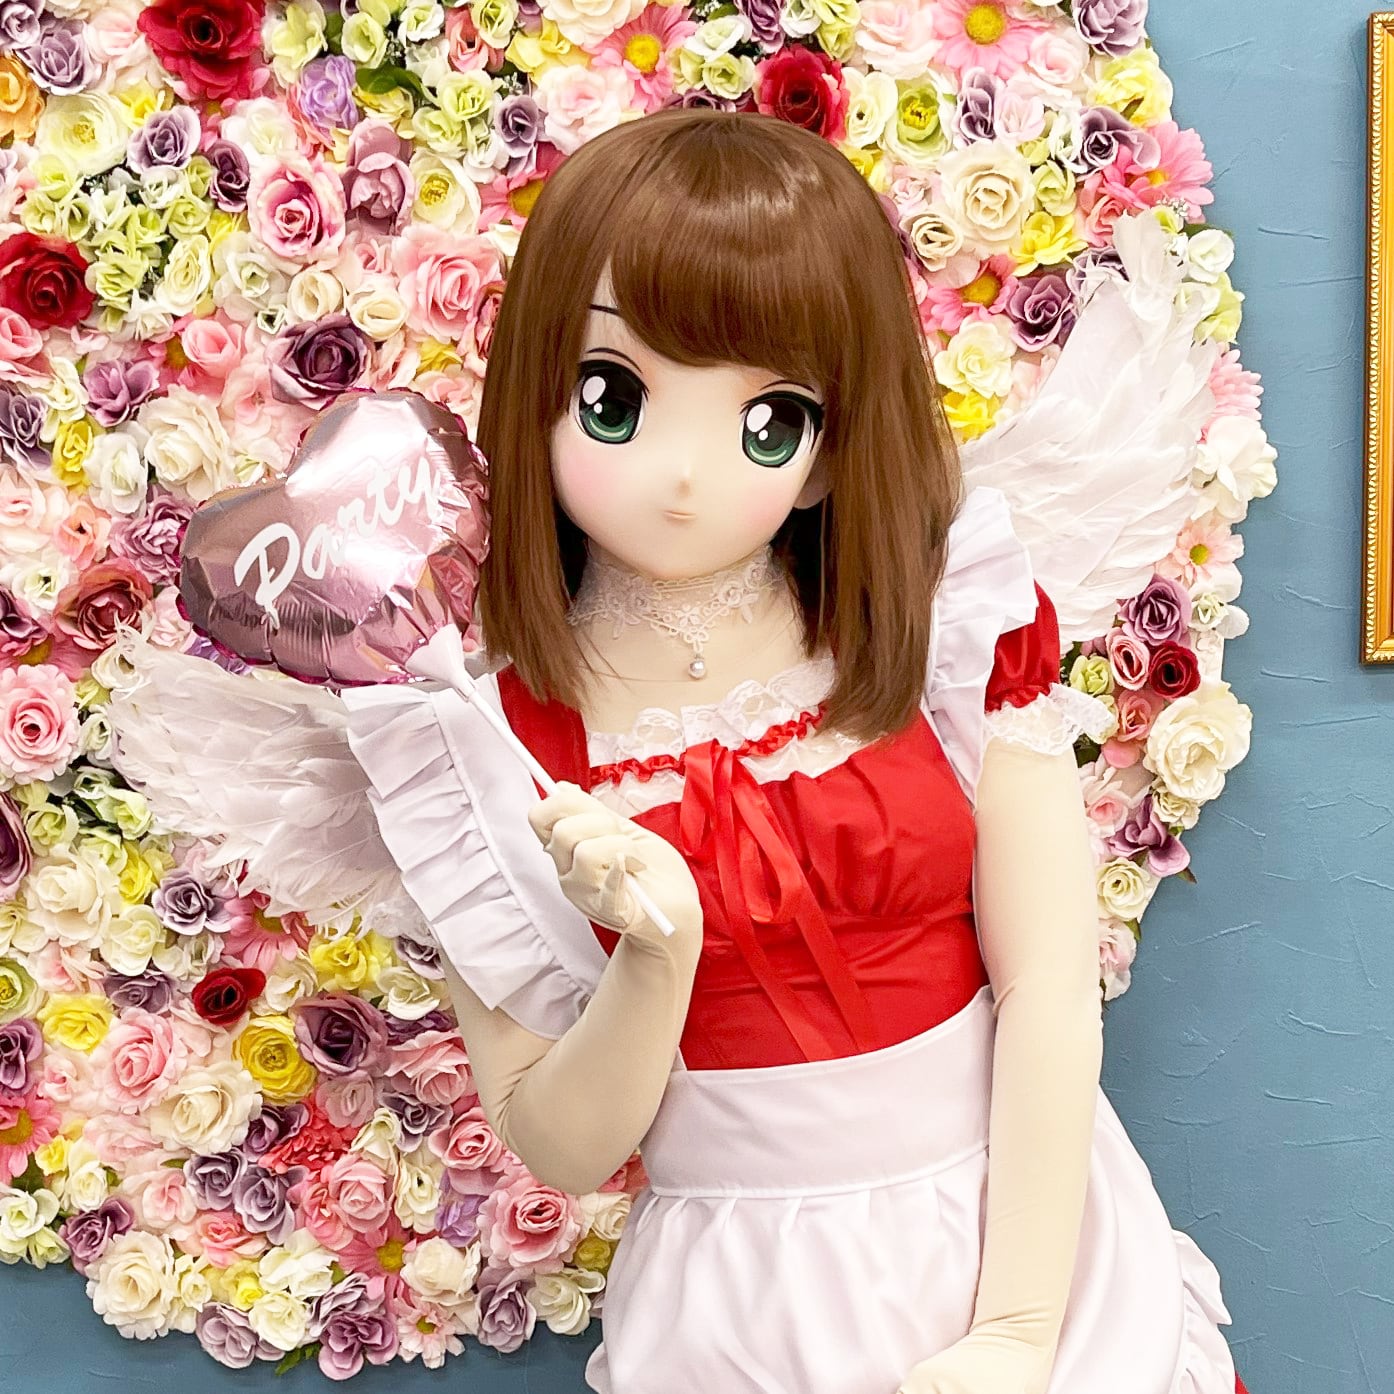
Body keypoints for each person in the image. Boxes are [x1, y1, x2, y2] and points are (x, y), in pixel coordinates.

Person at [337, 107, 1250, 1393]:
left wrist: (1014, 1331)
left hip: (1018, 1240)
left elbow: (1048, 990)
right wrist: (654, 957)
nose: (682, 474)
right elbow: (564, 1146)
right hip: (730, 1301)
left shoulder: (946, 623)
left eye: (768, 419)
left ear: (825, 452)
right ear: (534, 389)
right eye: (614, 398)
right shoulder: (476, 739)